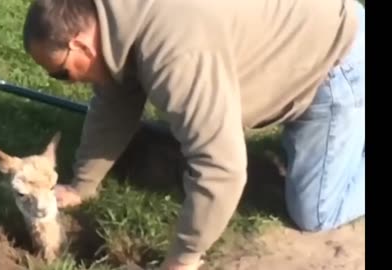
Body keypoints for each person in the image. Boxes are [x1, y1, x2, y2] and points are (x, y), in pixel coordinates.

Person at [22, 0, 365, 269]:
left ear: (80, 44)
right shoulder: (116, 19)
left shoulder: (175, 56)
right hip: (296, 44)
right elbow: (115, 100)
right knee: (190, 121)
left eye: (61, 74)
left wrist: (183, 258)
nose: (66, 80)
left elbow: (222, 169)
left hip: (333, 62)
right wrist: (83, 184)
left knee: (317, 210)